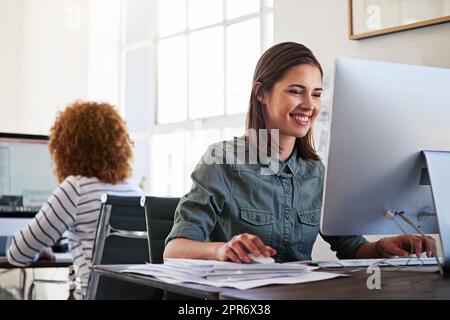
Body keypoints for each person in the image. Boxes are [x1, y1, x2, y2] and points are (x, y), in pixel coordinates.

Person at [164, 42, 435, 263]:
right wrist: (220, 250)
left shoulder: (316, 173)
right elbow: (174, 249)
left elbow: (350, 247)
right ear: (261, 93)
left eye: (316, 94)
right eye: (296, 92)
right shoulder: (222, 161)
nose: (309, 105)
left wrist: (383, 247)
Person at [7, 101, 142, 297]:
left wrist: (42, 249)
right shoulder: (136, 192)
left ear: (67, 148)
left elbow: (18, 253)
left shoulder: (76, 188)